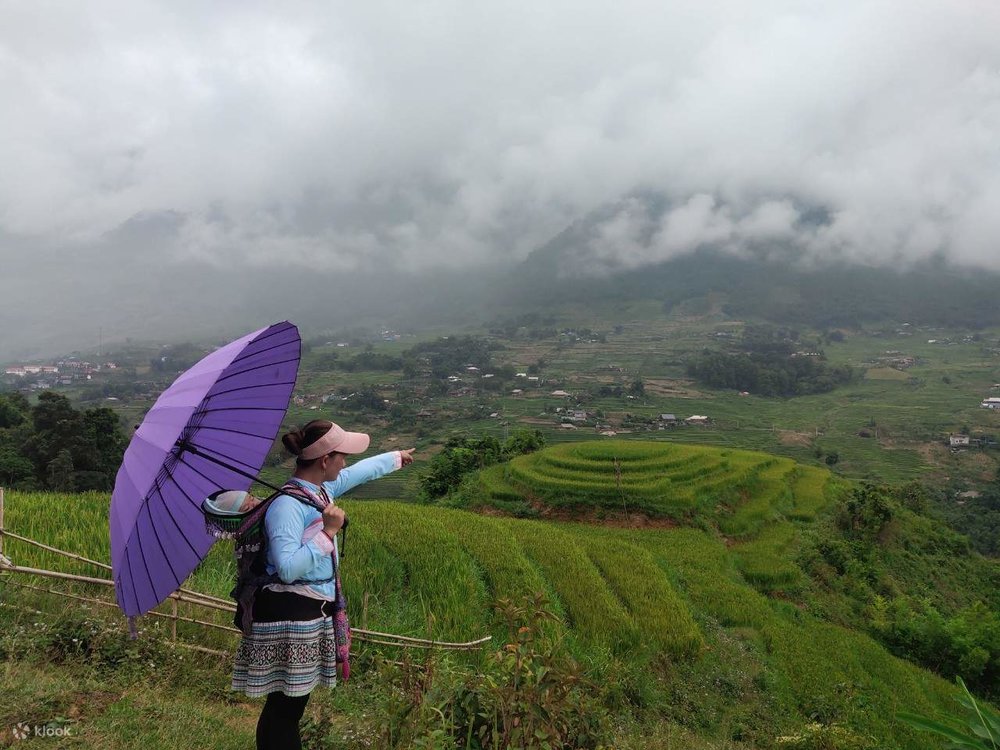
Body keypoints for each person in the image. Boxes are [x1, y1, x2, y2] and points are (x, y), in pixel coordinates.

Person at [230, 419, 415, 750]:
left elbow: (359, 473)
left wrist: (396, 458)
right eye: (341, 455)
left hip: (307, 612)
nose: (345, 462)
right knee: (285, 710)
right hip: (290, 616)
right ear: (324, 460)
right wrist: (327, 532)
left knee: (287, 708)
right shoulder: (287, 505)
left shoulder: (318, 491)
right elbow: (286, 568)